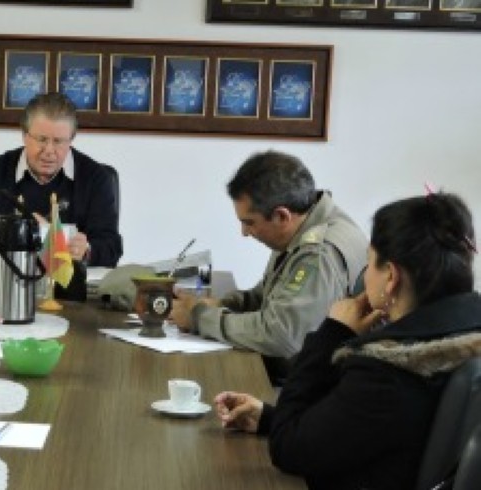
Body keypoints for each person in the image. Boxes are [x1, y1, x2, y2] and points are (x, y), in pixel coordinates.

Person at [213, 191, 481, 490]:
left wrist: (334, 332)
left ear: (390, 276)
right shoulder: (465, 334)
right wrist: (269, 419)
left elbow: (288, 449)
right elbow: (360, 427)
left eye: (370, 263)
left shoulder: (388, 373)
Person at [170, 150, 367, 376]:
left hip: (306, 387)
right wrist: (220, 304)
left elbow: (281, 334)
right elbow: (267, 295)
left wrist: (199, 318)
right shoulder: (304, 226)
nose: (244, 232)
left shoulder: (318, 255)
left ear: (282, 217)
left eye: (249, 223)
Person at [0, 92, 123, 267]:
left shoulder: (95, 178)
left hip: (69, 288)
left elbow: (112, 245)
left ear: (71, 140)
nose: (49, 151)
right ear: (25, 135)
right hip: (7, 282)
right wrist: (15, 231)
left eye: (58, 141)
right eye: (42, 139)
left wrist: (87, 249)